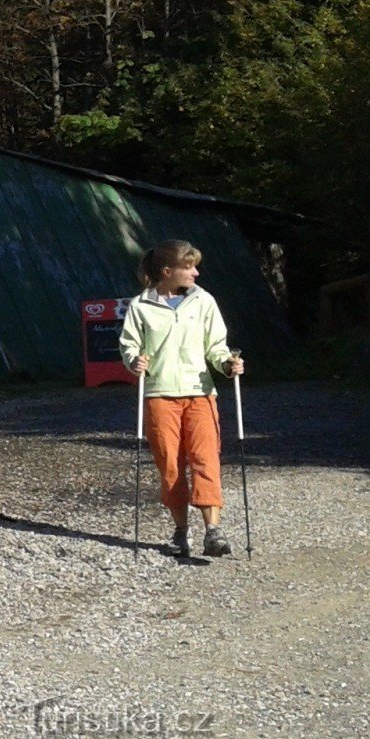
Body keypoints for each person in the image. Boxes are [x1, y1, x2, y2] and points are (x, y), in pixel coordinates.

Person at [120, 239, 245, 559]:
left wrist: (227, 364)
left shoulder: (204, 302)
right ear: (167, 271)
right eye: (189, 267)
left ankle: (213, 532)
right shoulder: (141, 306)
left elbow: (216, 346)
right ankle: (180, 532)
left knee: (206, 460)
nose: (196, 273)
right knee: (171, 468)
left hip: (200, 393)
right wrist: (134, 361)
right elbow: (129, 346)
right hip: (160, 395)